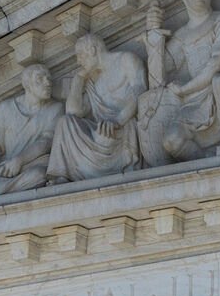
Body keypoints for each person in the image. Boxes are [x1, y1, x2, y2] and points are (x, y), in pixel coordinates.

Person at [137, 0, 220, 162]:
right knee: (171, 140)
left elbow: (217, 63)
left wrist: (185, 88)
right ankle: (206, 163)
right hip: (193, 104)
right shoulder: (182, 35)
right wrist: (154, 35)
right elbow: (157, 82)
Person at [47, 32, 147, 184]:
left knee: (104, 137)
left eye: (80, 55)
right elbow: (72, 112)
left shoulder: (126, 60)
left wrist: (118, 120)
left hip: (123, 129)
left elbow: (140, 91)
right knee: (64, 123)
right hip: (101, 131)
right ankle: (63, 175)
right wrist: (78, 80)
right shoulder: (93, 81)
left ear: (92, 50)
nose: (78, 61)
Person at [0, 64, 65, 198]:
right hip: (5, 171)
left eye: (49, 78)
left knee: (38, 175)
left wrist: (19, 160)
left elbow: (46, 142)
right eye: (40, 78)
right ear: (27, 84)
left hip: (33, 166)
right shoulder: (5, 108)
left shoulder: (55, 109)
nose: (48, 82)